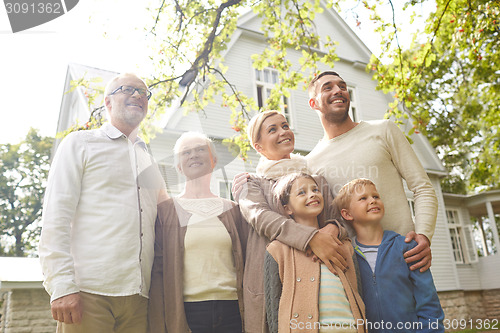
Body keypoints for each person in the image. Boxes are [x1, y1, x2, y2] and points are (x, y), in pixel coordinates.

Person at [39, 73, 166, 332]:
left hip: (140, 299)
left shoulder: (149, 161)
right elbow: (56, 216)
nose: (138, 96)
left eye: (144, 93)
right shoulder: (80, 143)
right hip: (88, 293)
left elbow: (169, 218)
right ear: (108, 102)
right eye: (128, 89)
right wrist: (61, 286)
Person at [307, 71, 438, 272]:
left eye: (342, 86)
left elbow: (423, 187)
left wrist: (423, 235)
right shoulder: (311, 162)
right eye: (328, 87)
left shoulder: (384, 130)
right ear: (313, 103)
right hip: (355, 272)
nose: (338, 91)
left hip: (406, 259)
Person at [235, 110, 348, 333]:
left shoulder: (317, 180)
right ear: (258, 146)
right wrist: (310, 238)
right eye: (273, 129)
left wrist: (333, 228)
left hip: (321, 280)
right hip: (272, 279)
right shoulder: (253, 184)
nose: (283, 132)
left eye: (285, 126)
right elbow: (261, 218)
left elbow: (338, 219)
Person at [148, 131, 248, 333]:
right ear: (178, 166)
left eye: (200, 149)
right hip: (189, 312)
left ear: (214, 160)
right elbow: (157, 270)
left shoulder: (234, 210)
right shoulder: (165, 211)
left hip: (232, 310)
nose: (193, 155)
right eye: (186, 152)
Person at [334, 178, 444, 333]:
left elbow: (429, 303)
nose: (372, 200)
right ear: (347, 214)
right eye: (363, 198)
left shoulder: (407, 247)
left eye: (376, 196)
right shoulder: (347, 255)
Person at [265, 173, 366, 333]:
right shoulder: (277, 250)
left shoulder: (344, 245)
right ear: (287, 208)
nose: (312, 194)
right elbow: (273, 308)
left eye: (315, 189)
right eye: (302, 192)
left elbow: (357, 293)